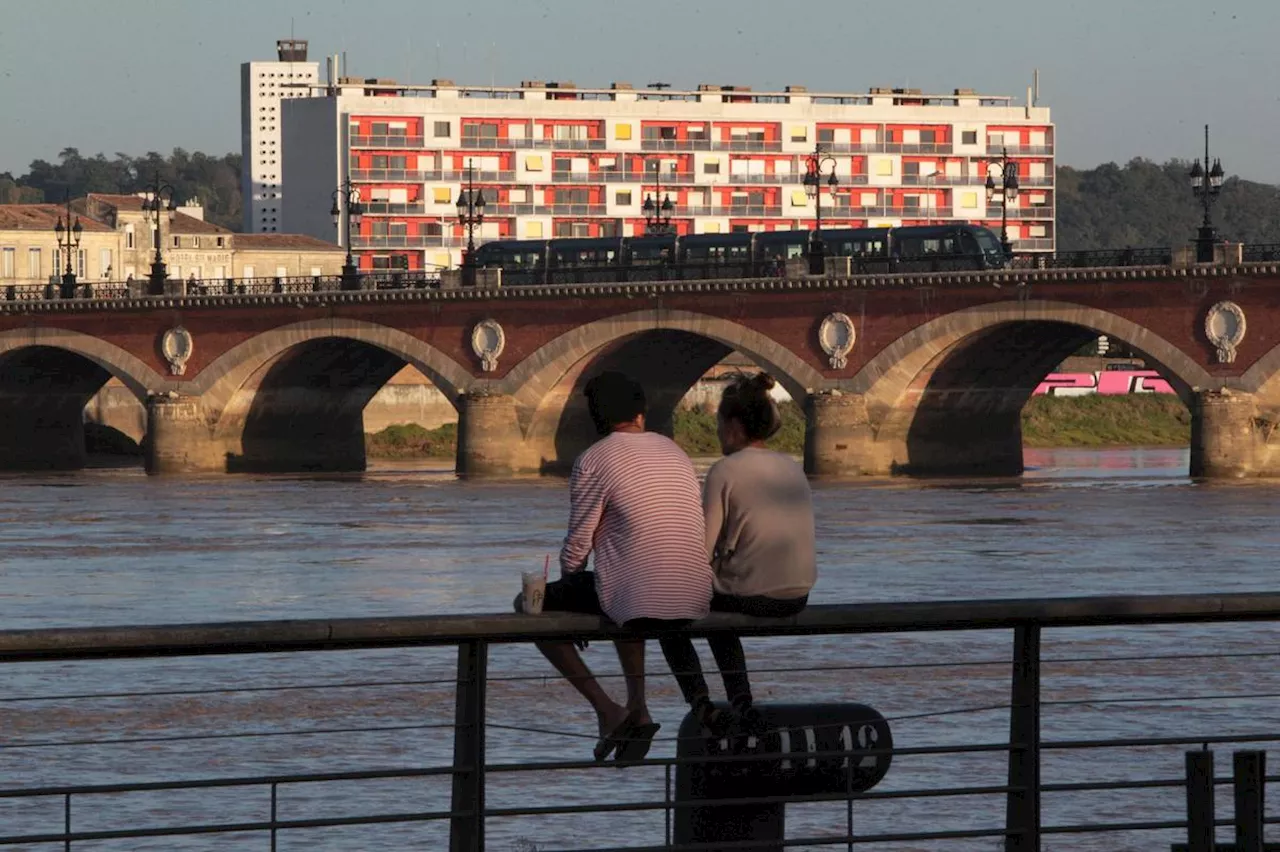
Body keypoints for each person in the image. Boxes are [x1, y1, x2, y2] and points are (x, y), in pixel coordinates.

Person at [521, 371, 713, 763]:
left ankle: (606, 709)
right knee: (626, 588)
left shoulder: (594, 459)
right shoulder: (675, 452)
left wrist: (569, 587)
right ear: (641, 413)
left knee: (529, 609)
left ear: (597, 420)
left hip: (634, 590)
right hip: (694, 589)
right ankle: (638, 706)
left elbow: (578, 542)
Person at [660, 372, 817, 736]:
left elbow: (701, 550)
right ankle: (741, 702)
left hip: (752, 597)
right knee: (716, 600)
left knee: (667, 612)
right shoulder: (792, 468)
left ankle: (703, 703)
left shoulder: (724, 471)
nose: (716, 433)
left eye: (718, 424)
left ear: (733, 425)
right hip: (797, 596)